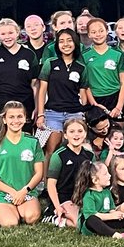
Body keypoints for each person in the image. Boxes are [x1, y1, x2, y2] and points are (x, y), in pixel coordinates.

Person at [0, 101, 45, 226]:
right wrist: (12, 192)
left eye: (19, 116)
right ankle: (7, 209)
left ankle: (21, 208)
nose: (16, 120)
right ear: (4, 119)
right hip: (3, 193)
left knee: (31, 218)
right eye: (11, 117)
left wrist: (24, 191)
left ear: (25, 119)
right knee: (10, 223)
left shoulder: (33, 142)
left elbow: (39, 173)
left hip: (26, 192)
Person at [36, 29, 90, 157]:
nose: (65, 44)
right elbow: (42, 90)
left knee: (74, 149)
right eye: (61, 41)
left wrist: (84, 112)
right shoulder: (50, 63)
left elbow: (83, 93)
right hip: (53, 113)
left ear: (75, 43)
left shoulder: (81, 67)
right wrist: (40, 114)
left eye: (69, 40)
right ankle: (46, 177)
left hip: (74, 113)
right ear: (57, 45)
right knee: (51, 150)